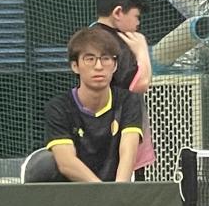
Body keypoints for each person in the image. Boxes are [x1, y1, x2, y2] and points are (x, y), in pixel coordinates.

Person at [38, 27, 145, 182]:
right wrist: (102, 192)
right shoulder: (58, 107)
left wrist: (118, 191)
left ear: (115, 65)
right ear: (75, 66)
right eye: (90, 59)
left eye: (106, 58)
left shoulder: (129, 102)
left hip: (114, 192)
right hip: (72, 193)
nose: (99, 66)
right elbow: (66, 163)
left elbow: (128, 153)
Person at [91, 0, 155, 171]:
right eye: (136, 16)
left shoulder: (89, 35)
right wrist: (142, 51)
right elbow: (139, 84)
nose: (138, 24)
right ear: (118, 12)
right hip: (118, 140)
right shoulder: (116, 44)